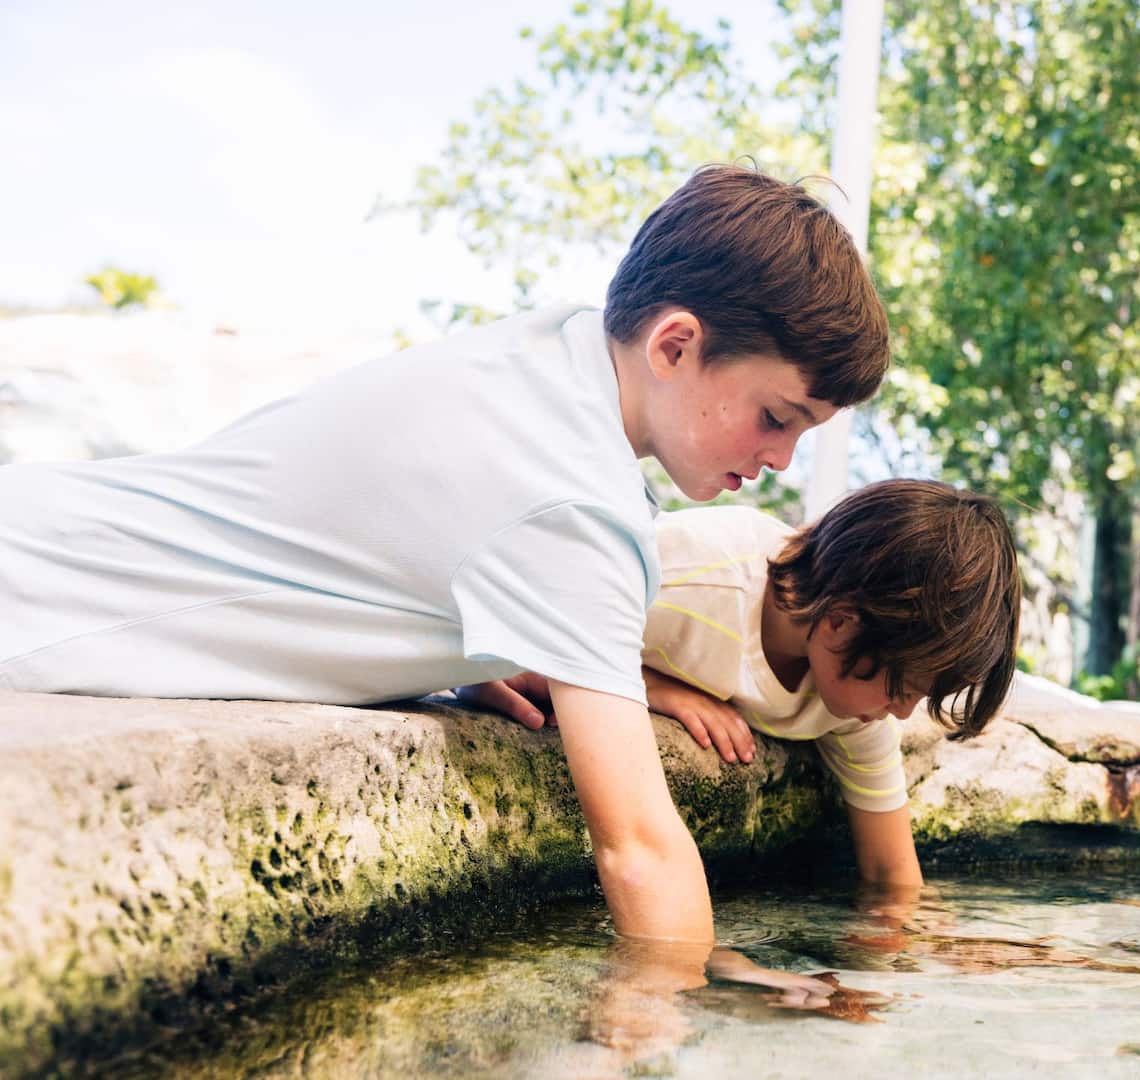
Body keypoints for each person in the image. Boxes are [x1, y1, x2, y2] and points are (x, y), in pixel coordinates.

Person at [0, 163, 890, 949]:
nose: (779, 460)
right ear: (674, 344)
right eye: (778, 417)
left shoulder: (553, 354)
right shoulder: (576, 501)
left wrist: (470, 644)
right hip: (37, 608)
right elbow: (641, 850)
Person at [457, 478, 1022, 891]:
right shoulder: (691, 578)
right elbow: (522, 614)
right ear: (841, 622)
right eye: (904, 691)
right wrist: (655, 687)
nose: (901, 715)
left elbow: (892, 873)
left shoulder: (852, 700)